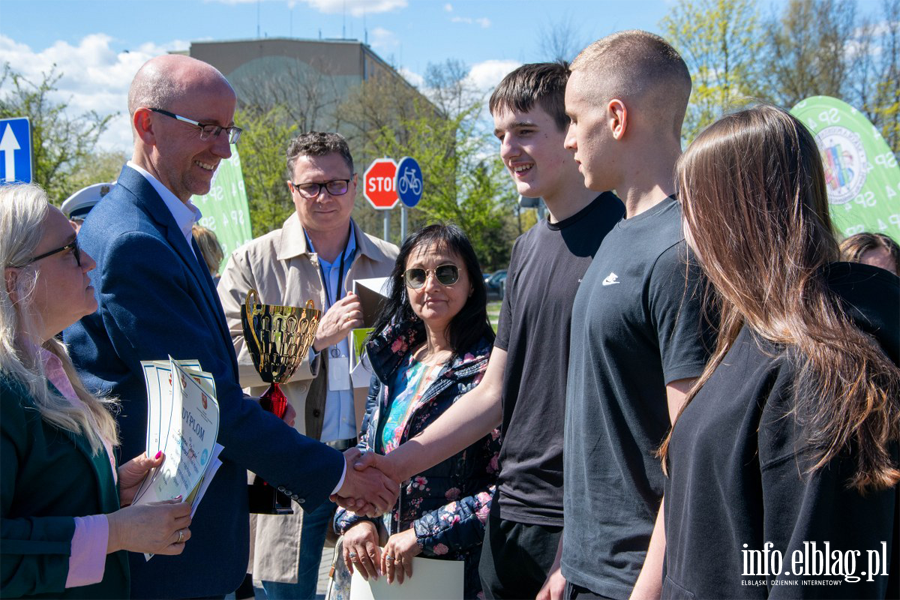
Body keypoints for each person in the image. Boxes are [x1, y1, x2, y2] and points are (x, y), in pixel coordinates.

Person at [63, 54, 398, 599]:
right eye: (208, 130)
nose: (223, 148)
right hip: (183, 531)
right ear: (147, 124)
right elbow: (211, 396)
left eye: (229, 131)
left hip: (312, 463)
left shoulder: (388, 258)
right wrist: (336, 472)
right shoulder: (140, 242)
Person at [341, 62, 625, 600]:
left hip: (585, 530)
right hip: (513, 521)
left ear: (571, 129)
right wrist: (390, 467)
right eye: (499, 136)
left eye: (524, 131)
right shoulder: (526, 249)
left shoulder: (626, 234)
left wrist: (582, 547)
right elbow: (494, 395)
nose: (508, 150)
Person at [662, 105, 899, 598]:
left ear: (731, 213)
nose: (682, 229)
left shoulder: (819, 370)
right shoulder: (754, 336)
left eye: (687, 206)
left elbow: (823, 577)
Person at [551, 31, 715, 600]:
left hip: (635, 582)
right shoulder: (620, 236)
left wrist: (645, 587)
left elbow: (696, 449)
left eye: (574, 119)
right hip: (586, 571)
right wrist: (568, 563)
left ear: (616, 117)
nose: (568, 139)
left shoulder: (681, 252)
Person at [217, 131, 398, 599]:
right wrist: (311, 338)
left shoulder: (393, 262)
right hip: (286, 458)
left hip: (370, 457)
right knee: (283, 590)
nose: (325, 196)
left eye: (336, 184)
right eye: (311, 186)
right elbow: (225, 358)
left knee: (374, 589)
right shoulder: (252, 263)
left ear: (354, 185)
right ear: (291, 190)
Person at [1, 183, 192, 599]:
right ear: (14, 280)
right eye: (69, 249)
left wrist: (106, 490)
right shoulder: (4, 386)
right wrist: (114, 532)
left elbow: (38, 497)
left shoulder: (47, 362)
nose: (88, 261)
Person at [332, 224, 499, 600]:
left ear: (471, 283)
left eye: (447, 272)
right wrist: (357, 521)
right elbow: (364, 452)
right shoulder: (392, 361)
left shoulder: (493, 374)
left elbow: (508, 489)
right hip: (379, 574)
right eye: (417, 275)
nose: (431, 285)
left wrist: (423, 535)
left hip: (455, 576)